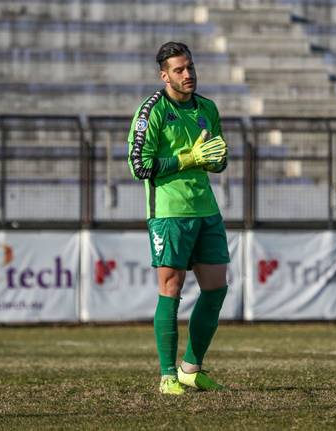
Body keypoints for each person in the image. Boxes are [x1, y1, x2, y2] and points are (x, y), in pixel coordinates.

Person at [128, 41, 230, 395]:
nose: (188, 75)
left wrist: (216, 158)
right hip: (169, 213)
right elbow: (139, 166)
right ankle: (167, 375)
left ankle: (191, 367)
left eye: (190, 67)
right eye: (179, 70)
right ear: (164, 75)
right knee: (171, 290)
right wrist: (187, 159)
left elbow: (218, 158)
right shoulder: (151, 111)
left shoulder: (207, 108)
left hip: (206, 210)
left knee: (216, 289)